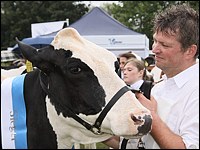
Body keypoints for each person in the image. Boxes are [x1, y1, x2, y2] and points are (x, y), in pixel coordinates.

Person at [104, 3, 199, 149]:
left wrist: (151, 115)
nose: (154, 49)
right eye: (154, 40)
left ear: (190, 51)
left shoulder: (196, 89)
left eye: (164, 45)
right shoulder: (159, 87)